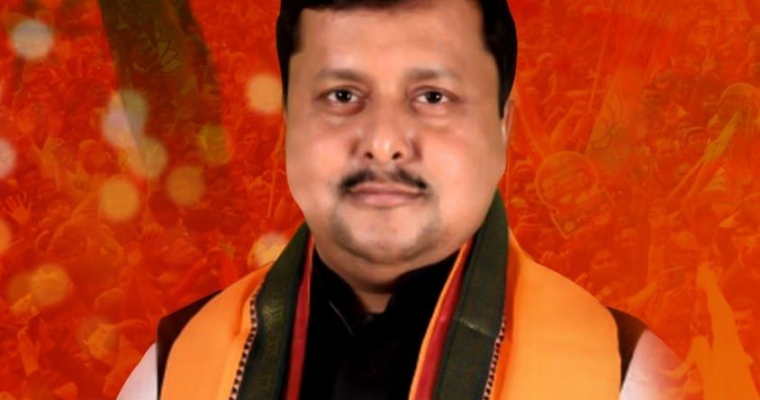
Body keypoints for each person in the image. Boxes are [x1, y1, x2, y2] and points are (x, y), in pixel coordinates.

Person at [118, 0, 680, 399]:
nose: (384, 142)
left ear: (502, 129)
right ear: (288, 123)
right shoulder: (173, 373)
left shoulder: (629, 378)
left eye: (432, 97)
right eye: (342, 95)